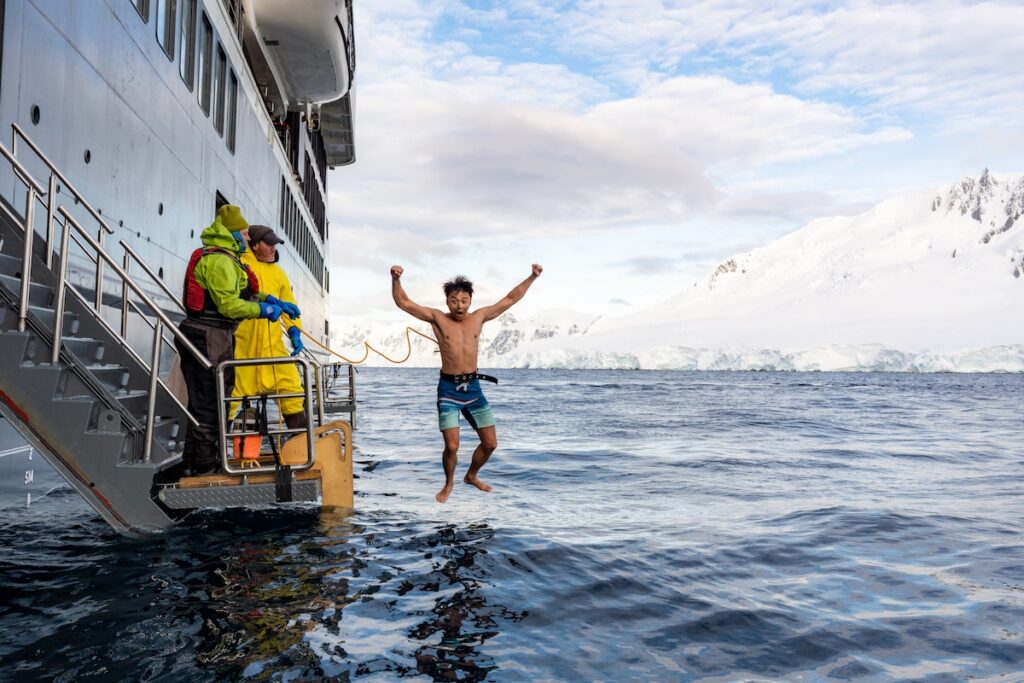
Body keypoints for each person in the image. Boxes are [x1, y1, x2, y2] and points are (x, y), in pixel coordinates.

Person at [390, 263, 543, 503]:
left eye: (463, 300)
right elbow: (404, 303)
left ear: (470, 301)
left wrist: (532, 277)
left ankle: (471, 475)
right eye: (453, 300)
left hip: (473, 389)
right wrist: (396, 280)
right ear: (447, 301)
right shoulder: (437, 318)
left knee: (491, 444)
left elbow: (510, 299)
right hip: (448, 390)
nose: (458, 305)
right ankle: (448, 483)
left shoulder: (479, 317)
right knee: (452, 447)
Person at [176, 205, 296, 475]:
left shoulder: (229, 259)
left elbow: (242, 292)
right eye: (243, 233)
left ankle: (200, 462)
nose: (246, 238)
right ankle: (205, 466)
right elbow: (230, 305)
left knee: (215, 399)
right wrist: (263, 310)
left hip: (215, 335)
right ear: (230, 232)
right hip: (207, 333)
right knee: (209, 403)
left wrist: (269, 300)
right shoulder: (220, 261)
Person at [231, 225, 307, 437]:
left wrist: (294, 332)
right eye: (269, 243)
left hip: (273, 351)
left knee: (292, 394)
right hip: (242, 349)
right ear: (254, 245)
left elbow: (290, 308)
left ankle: (302, 448)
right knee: (228, 400)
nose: (274, 248)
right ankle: (216, 456)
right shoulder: (240, 265)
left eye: (275, 244)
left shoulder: (279, 274)